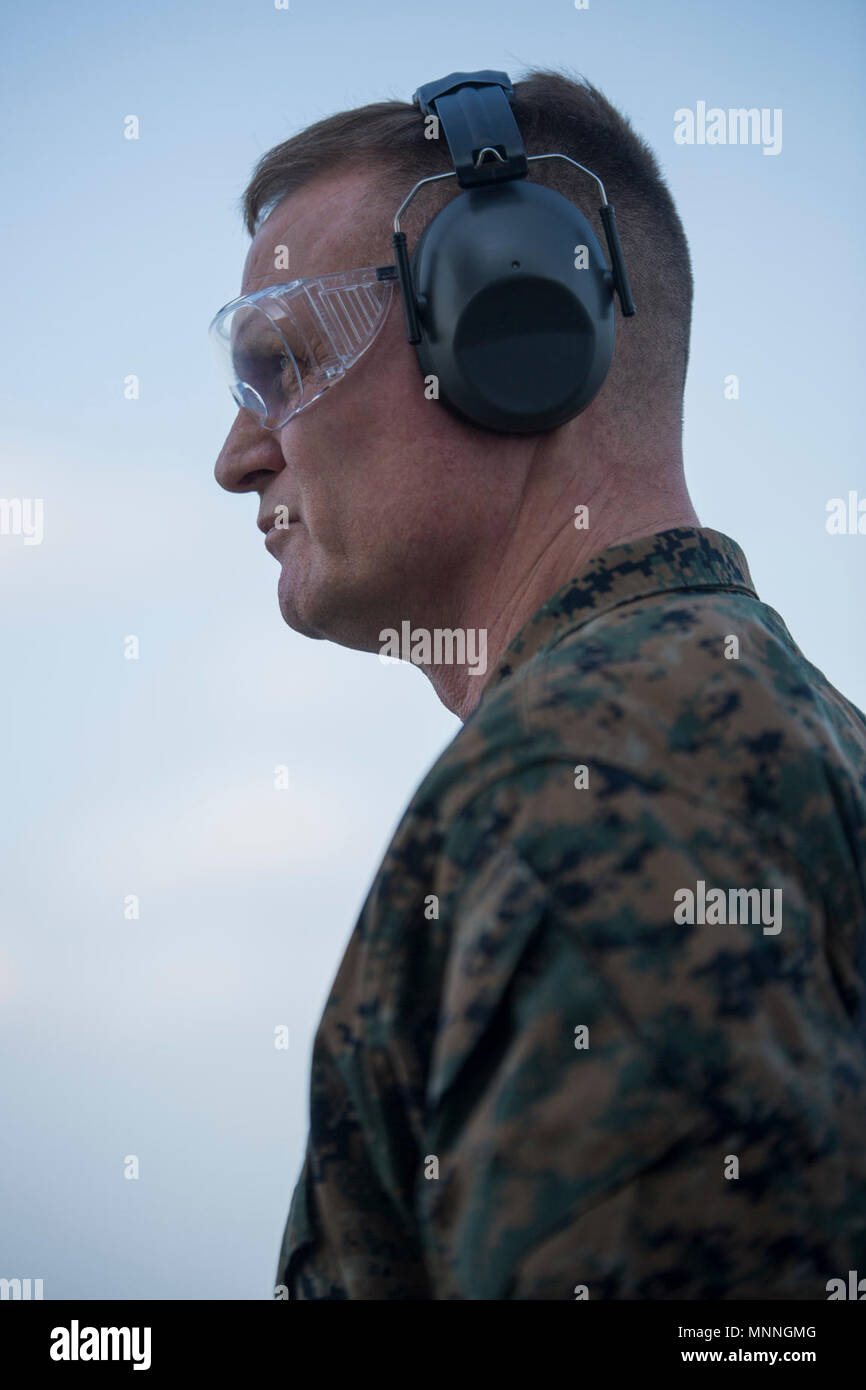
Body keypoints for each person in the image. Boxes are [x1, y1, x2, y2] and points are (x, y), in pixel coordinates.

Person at [212, 69, 866, 1299]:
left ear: (513, 326)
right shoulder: (765, 732)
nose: (238, 456)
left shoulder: (598, 771)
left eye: (284, 365)